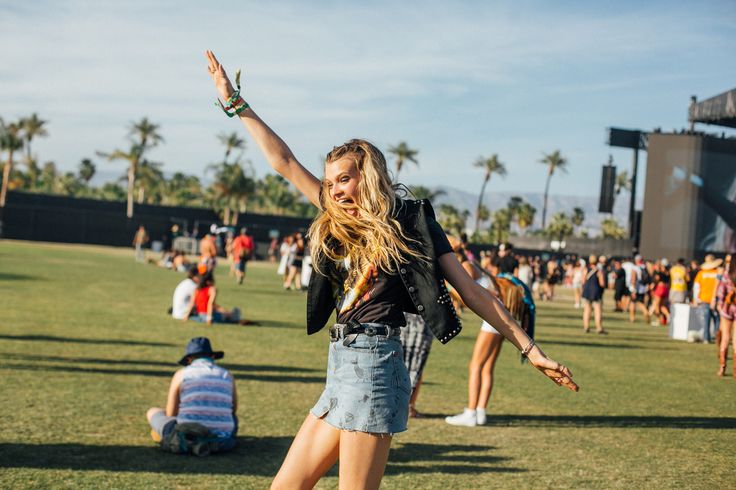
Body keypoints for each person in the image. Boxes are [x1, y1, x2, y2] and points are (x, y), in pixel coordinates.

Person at [205, 51, 577, 489]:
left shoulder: (413, 222)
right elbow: (284, 162)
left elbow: (474, 292)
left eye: (344, 178)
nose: (335, 190)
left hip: (376, 365)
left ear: (369, 174)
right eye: (329, 182)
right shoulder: (340, 219)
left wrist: (530, 348)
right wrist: (237, 104)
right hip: (341, 364)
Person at [146, 337, 238, 452]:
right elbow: (233, 410)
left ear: (189, 359)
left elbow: (171, 413)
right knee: (233, 418)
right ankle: (212, 439)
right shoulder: (227, 375)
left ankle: (181, 440)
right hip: (223, 442)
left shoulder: (181, 374)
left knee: (153, 412)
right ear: (212, 356)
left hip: (187, 438)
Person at [184, 273, 251, 325]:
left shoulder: (197, 290)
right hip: (208, 315)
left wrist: (186, 315)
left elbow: (192, 303)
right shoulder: (212, 289)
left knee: (227, 313)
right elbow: (210, 304)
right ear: (208, 281)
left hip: (200, 314)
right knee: (235, 312)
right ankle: (236, 318)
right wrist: (209, 318)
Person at [693, 254, 723, 343]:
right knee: (717, 320)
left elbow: (696, 287)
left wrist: (696, 299)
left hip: (704, 299)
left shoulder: (701, 274)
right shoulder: (718, 273)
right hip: (716, 299)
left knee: (706, 321)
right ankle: (718, 338)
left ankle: (706, 338)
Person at [716, 256, 735, 377]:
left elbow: (721, 292)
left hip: (727, 309)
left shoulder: (727, 275)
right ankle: (735, 370)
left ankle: (722, 368)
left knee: (725, 337)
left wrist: (720, 305)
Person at [581, 255, 607, 334]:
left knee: (586, 310)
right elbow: (602, 283)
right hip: (596, 292)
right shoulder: (599, 270)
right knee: (597, 311)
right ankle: (598, 327)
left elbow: (583, 280)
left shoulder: (586, 269)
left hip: (587, 292)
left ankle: (586, 327)